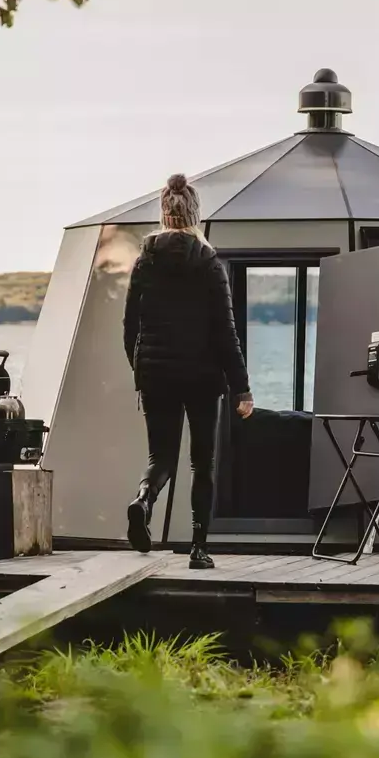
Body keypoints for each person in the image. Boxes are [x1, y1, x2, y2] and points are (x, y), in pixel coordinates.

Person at [123, 173, 254, 569]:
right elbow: (225, 331)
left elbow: (130, 326)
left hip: (156, 375)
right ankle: (199, 548)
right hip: (202, 377)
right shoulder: (208, 262)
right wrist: (242, 389)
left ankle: (143, 501)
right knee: (202, 463)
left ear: (163, 213)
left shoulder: (144, 260)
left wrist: (141, 368)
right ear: (195, 213)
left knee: (160, 457)